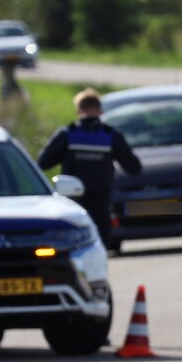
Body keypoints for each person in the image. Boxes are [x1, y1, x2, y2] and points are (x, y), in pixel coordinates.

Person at [38, 88, 142, 248]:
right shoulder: (110, 135)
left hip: (73, 203)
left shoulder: (68, 134)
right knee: (100, 246)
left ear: (79, 110)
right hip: (101, 202)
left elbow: (43, 163)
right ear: (100, 110)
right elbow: (134, 168)